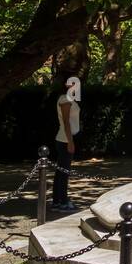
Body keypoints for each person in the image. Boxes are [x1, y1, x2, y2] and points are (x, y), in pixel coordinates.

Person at [52, 76, 81, 213]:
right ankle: (62, 202)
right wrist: (70, 141)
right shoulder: (65, 99)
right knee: (63, 172)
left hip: (64, 138)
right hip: (64, 139)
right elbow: (66, 122)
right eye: (72, 83)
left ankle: (58, 201)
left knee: (61, 172)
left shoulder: (70, 99)